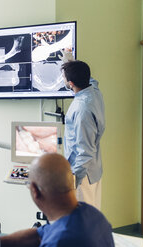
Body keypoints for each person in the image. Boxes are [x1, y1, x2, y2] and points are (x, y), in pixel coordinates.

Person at [0, 153, 114, 247]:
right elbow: (40, 234)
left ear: (35, 191)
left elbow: (54, 237)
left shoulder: (59, 242)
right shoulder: (92, 215)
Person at [60, 51, 105, 210]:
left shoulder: (82, 110)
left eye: (64, 78)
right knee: (91, 219)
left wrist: (72, 182)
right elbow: (92, 79)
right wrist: (71, 62)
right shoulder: (93, 91)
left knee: (83, 223)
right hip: (92, 169)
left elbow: (84, 151)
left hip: (82, 174)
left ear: (70, 84)